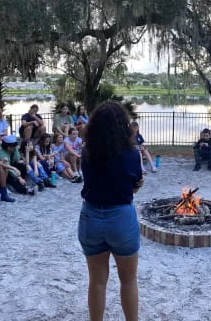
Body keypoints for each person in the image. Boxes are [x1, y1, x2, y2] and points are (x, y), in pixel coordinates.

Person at [78, 101, 144, 321]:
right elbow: (133, 185)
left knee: (97, 281)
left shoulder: (86, 153)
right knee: (128, 280)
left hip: (91, 217)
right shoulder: (132, 154)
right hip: (121, 218)